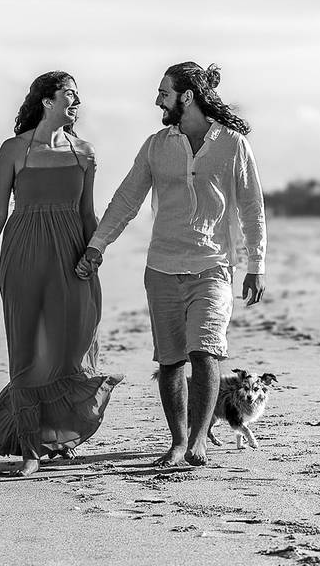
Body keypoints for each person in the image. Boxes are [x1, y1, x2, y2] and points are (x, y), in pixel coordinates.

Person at [76, 62, 266, 467]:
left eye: (164, 92)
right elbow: (127, 199)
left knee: (206, 352)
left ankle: (198, 439)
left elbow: (252, 207)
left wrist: (255, 263)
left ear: (187, 97)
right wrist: (98, 245)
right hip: (161, 267)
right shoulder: (156, 145)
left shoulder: (233, 145)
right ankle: (178, 442)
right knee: (170, 359)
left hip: (213, 267)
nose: (157, 100)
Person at [0, 71, 123, 477]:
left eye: (78, 96)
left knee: (71, 345)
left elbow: (88, 214)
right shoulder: (14, 149)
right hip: (23, 254)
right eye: (69, 94)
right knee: (27, 350)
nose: (77, 102)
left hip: (72, 256)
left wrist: (95, 253)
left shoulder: (84, 153)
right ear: (47, 100)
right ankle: (31, 449)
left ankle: (58, 431)